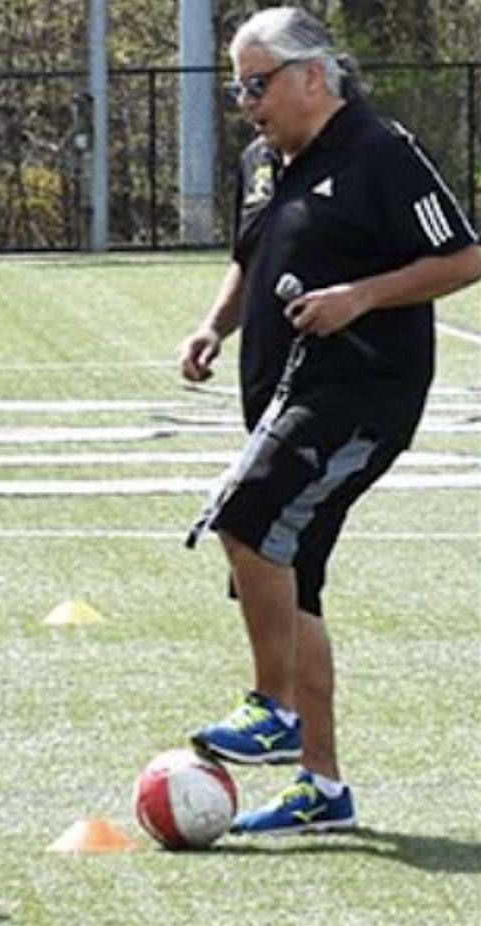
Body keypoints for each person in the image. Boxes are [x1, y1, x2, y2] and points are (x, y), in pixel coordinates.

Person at [178, 7, 481, 835]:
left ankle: (273, 709)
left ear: (314, 75)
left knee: (246, 517)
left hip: (363, 394)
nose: (246, 100)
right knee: (291, 578)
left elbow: (464, 256)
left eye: (258, 82)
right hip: (283, 395)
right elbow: (252, 256)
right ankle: (323, 787)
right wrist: (216, 325)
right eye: (237, 85)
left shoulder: (382, 152)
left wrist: (362, 295)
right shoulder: (263, 162)